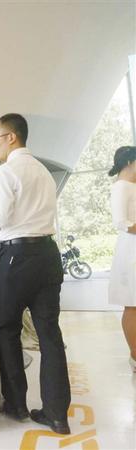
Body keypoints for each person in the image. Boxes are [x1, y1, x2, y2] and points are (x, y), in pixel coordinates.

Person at [0, 113, 71, 434]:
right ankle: (57, 415)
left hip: (18, 258)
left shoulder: (6, 171)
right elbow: (24, 212)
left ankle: (16, 404)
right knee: (50, 335)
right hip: (48, 255)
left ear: (11, 137)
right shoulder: (43, 171)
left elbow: (0, 220)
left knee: (7, 329)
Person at [108, 146, 136, 372]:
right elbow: (121, 222)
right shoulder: (121, 186)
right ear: (129, 162)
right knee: (132, 304)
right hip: (131, 252)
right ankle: (135, 356)